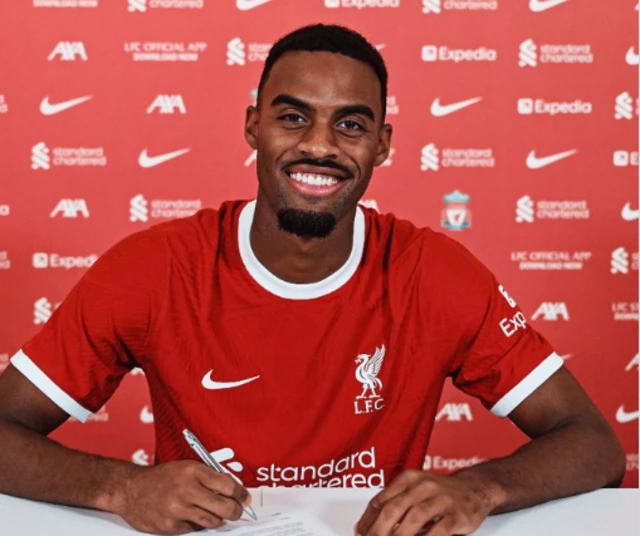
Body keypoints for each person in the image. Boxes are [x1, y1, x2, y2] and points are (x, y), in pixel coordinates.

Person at [0, 23, 625, 536]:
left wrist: (477, 490)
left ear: (381, 145)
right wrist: (123, 487)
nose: (320, 147)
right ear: (253, 126)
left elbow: (595, 446)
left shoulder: (434, 273)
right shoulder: (152, 268)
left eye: (350, 125)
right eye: (294, 118)